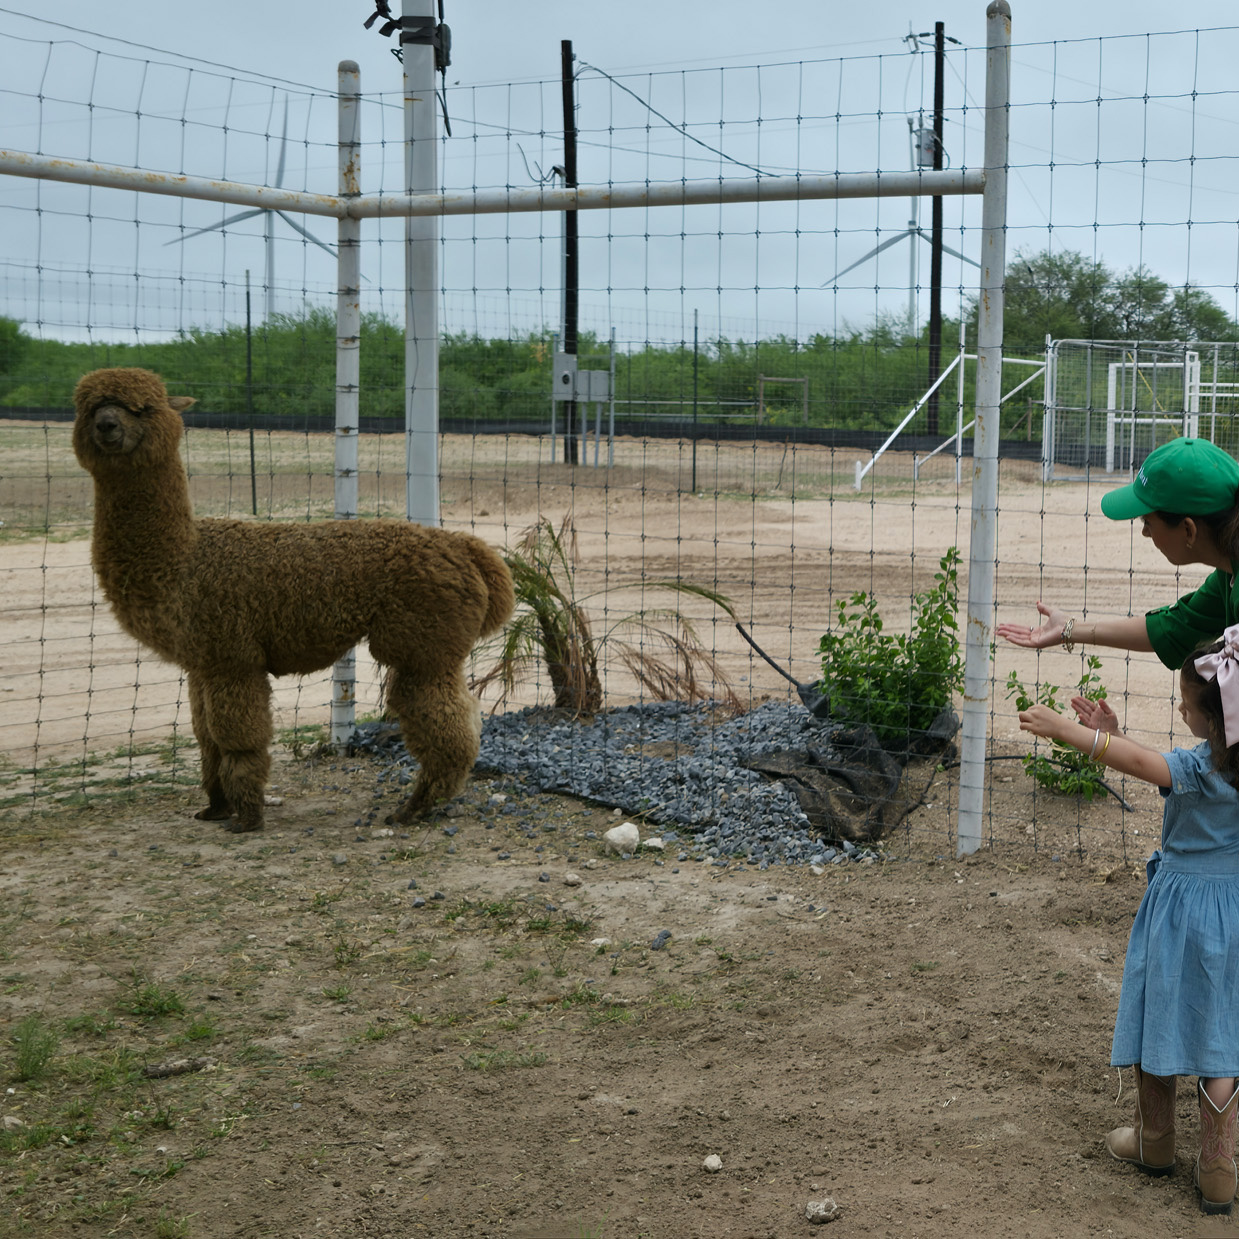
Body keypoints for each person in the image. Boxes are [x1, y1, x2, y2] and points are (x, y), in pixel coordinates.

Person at [1018, 627, 1239, 1215]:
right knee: (1223, 1032)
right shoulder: (1227, 766)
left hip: (1181, 909)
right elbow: (1153, 764)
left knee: (1160, 1011)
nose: (1181, 710)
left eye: (1186, 703)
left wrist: (1073, 733)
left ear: (1213, 717)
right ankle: (1219, 1170)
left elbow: (1145, 764)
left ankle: (1155, 1139)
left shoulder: (1193, 766)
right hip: (1235, 910)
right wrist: (1113, 735)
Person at [997, 436, 1239, 671]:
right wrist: (1068, 629)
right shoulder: (1228, 572)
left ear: (1188, 530)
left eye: (1147, 521)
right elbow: (1176, 626)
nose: (1145, 532)